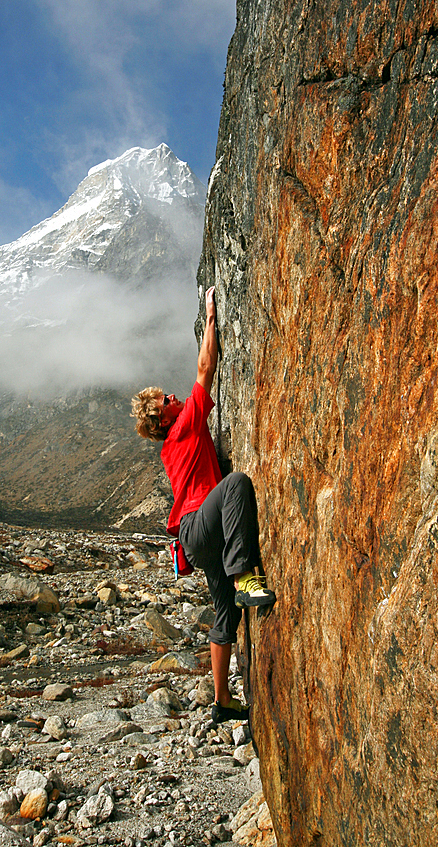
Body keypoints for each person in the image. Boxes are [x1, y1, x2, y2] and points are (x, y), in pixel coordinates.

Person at [131, 286, 275, 725]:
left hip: (194, 539)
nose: (174, 398)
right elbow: (206, 366)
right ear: (163, 418)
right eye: (166, 401)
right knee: (235, 485)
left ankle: (222, 701)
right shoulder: (187, 421)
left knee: (223, 610)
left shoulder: (170, 445)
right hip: (201, 525)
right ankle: (248, 578)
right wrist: (210, 316)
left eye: (171, 397)